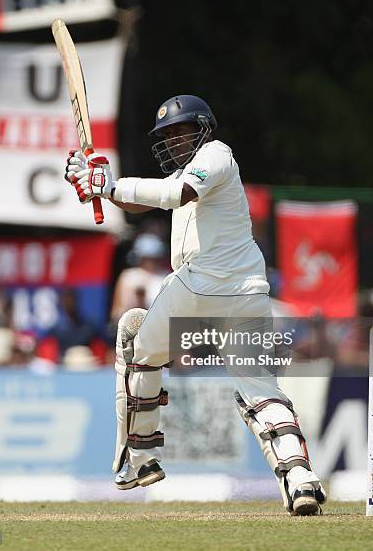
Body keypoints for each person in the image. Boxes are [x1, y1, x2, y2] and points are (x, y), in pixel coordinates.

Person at [65, 94, 326, 515]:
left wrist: (110, 185)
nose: (173, 140)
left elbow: (177, 193)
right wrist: (98, 184)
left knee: (134, 339)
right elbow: (144, 200)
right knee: (259, 389)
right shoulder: (189, 172)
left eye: (180, 131)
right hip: (247, 294)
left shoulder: (216, 155)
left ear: (203, 128)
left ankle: (139, 458)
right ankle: (302, 482)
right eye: (167, 135)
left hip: (201, 285)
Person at [110, 233, 168, 323]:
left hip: (160, 326)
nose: (151, 261)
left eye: (154, 257)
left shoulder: (166, 276)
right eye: (148, 258)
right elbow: (117, 310)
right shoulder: (128, 276)